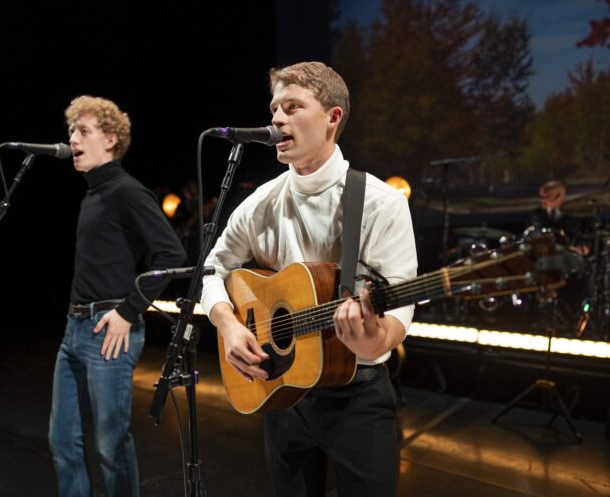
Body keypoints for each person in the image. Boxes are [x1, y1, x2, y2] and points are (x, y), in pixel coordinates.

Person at [201, 61, 417, 496]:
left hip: (357, 396)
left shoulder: (380, 203)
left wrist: (374, 340)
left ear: (333, 118)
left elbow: (399, 307)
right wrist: (227, 324)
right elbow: (212, 269)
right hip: (282, 390)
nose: (277, 119)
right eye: (274, 109)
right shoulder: (260, 202)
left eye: (292, 107)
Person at [48, 95, 186, 497]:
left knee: (110, 446)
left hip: (109, 329)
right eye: (71, 131)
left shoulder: (127, 191)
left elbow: (172, 254)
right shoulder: (92, 194)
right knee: (62, 440)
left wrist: (129, 311)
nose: (73, 138)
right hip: (75, 329)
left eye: (83, 131)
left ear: (110, 140)